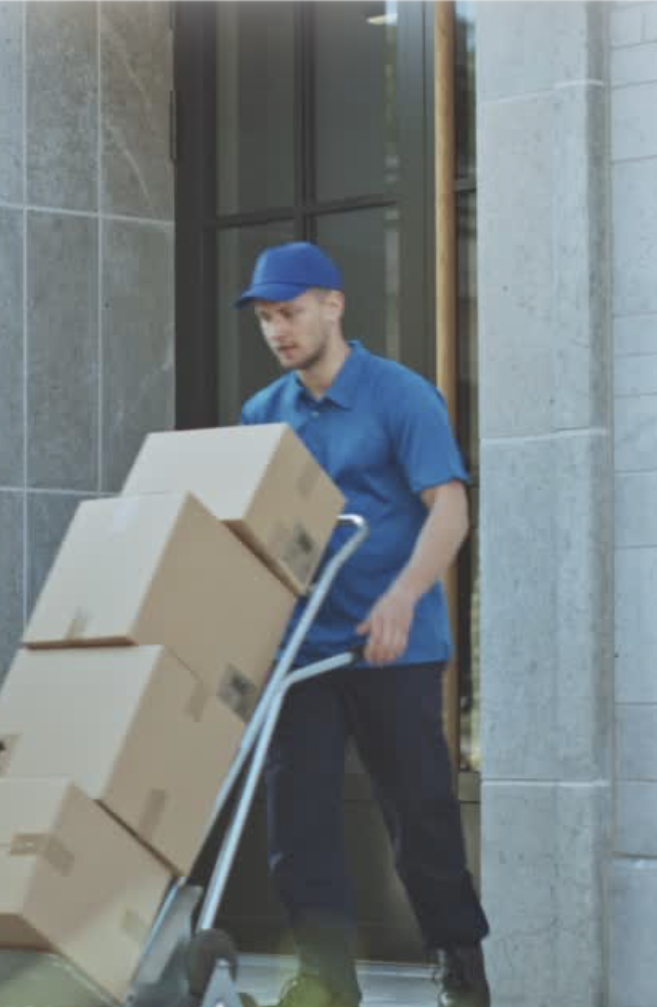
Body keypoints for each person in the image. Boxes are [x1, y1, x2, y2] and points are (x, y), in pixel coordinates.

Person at [235, 242, 491, 1007]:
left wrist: (405, 594)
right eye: (267, 318)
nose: (279, 330)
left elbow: (450, 510)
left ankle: (459, 962)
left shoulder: (400, 395)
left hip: (395, 648)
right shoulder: (262, 414)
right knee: (300, 828)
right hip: (302, 652)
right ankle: (326, 979)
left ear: (334, 304)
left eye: (291, 312)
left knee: (420, 816)